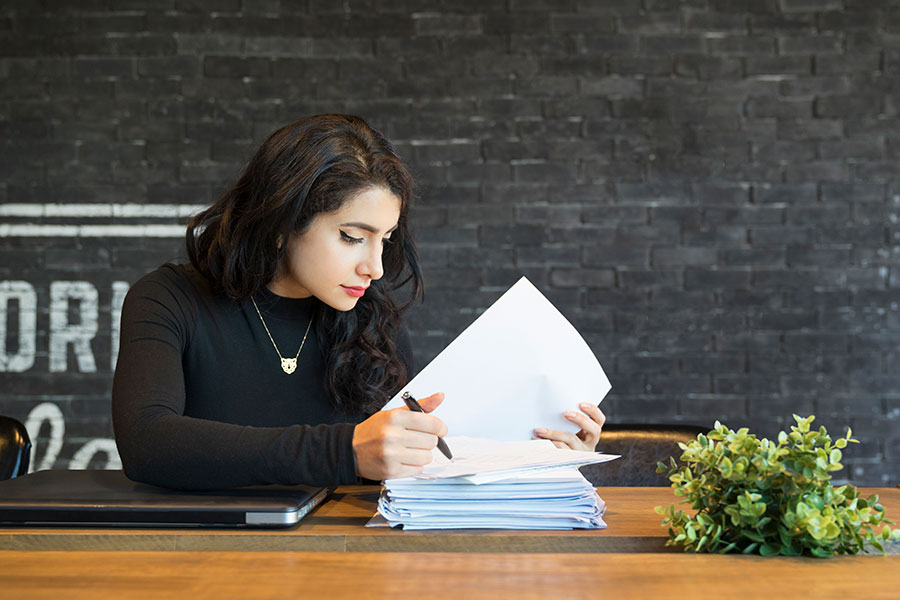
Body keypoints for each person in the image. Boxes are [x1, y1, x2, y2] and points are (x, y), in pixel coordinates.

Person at [112, 114, 605, 490]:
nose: (375, 267)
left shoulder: (371, 319)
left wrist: (542, 457)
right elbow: (147, 443)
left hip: (348, 561)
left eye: (386, 240)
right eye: (352, 236)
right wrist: (346, 450)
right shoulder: (168, 299)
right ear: (282, 222)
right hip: (199, 560)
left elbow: (430, 459)